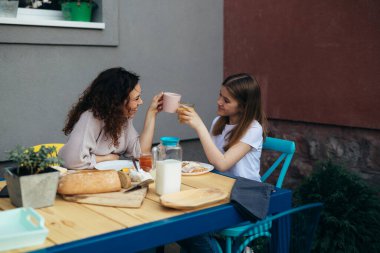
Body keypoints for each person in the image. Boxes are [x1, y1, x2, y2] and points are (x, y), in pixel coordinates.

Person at [176, 73, 268, 253]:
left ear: (243, 106)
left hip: (244, 198)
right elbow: (213, 158)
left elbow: (222, 164)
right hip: (219, 192)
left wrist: (199, 127)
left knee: (189, 229)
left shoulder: (253, 129)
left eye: (226, 100)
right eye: (220, 95)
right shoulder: (218, 122)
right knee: (179, 219)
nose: (219, 102)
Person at [59, 67, 163, 170]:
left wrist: (152, 113)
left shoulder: (121, 118)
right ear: (117, 101)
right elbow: (72, 161)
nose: (141, 102)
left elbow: (141, 153)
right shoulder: (91, 118)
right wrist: (107, 158)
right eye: (136, 98)